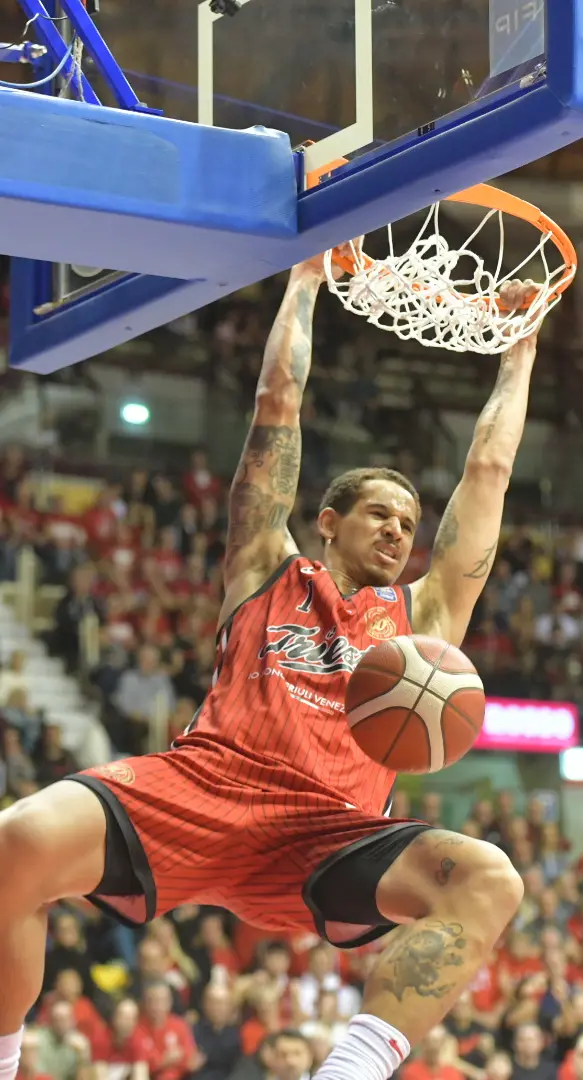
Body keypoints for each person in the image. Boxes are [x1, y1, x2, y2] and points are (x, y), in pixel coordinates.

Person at [0, 252, 541, 1080]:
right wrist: (303, 281)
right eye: (379, 515)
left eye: (409, 522)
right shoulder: (266, 566)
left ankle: (348, 1071)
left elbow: (489, 473)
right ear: (327, 521)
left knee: (490, 878)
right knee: (20, 840)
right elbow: (276, 407)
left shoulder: (426, 617)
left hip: (329, 833)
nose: (400, 532)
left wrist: (520, 350)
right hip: (202, 787)